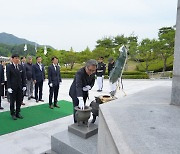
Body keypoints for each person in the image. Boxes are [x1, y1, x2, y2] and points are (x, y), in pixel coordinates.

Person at [6, 54, 26, 120]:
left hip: (19, 87)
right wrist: (8, 87)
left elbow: (23, 77)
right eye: (16, 58)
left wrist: (24, 85)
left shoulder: (21, 67)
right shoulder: (9, 67)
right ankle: (13, 113)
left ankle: (18, 112)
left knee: (19, 100)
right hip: (12, 87)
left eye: (18, 58)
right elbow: (8, 78)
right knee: (12, 101)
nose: (17, 59)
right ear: (12, 59)